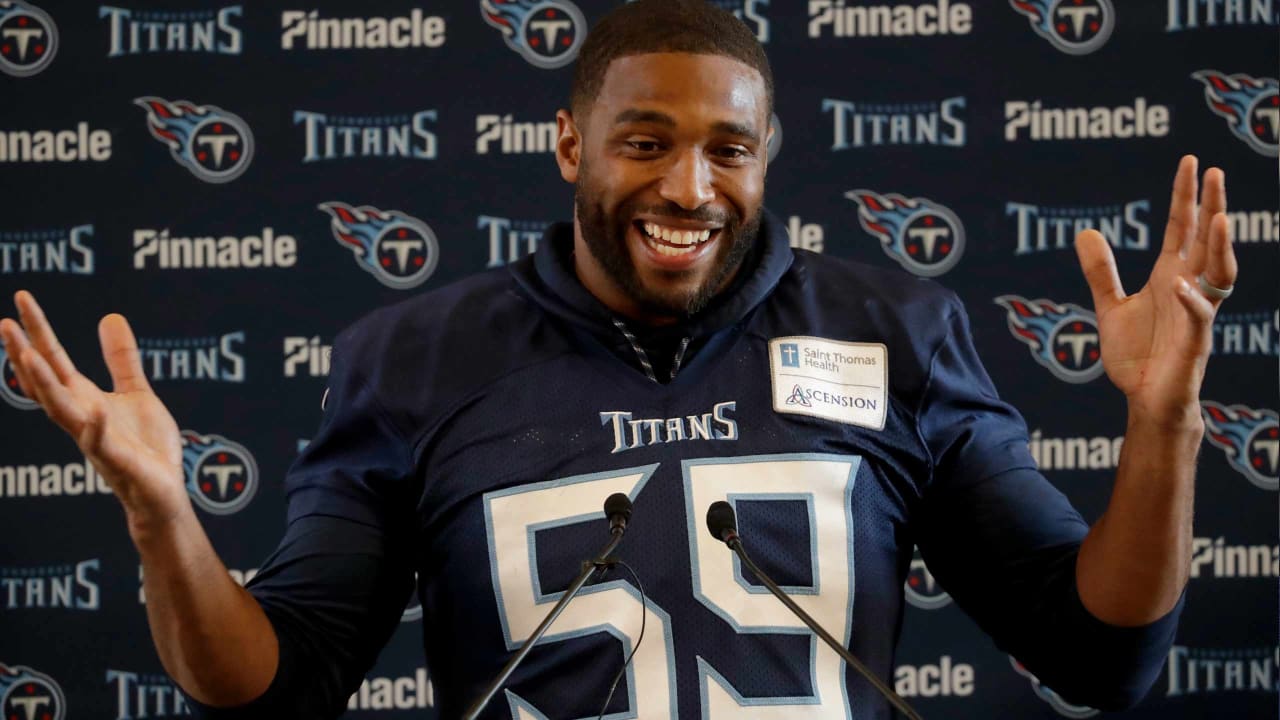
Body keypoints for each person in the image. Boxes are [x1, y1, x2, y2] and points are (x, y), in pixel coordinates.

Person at [0, 1, 1238, 718]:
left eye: (726, 151)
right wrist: (166, 520)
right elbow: (269, 691)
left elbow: (1099, 655)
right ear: (567, 144)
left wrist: (1165, 420)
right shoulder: (413, 357)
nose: (687, 188)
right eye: (642, 141)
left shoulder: (893, 330)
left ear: (767, 154)